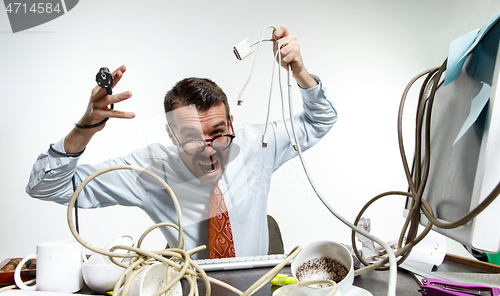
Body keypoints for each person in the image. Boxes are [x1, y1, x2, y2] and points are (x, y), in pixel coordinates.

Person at [26, 26, 337, 259]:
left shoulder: (258, 144)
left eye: (217, 132)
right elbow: (47, 187)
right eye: (190, 139)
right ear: (171, 136)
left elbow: (320, 119)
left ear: (231, 124)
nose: (208, 149)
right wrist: (85, 127)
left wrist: (300, 72)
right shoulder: (149, 170)